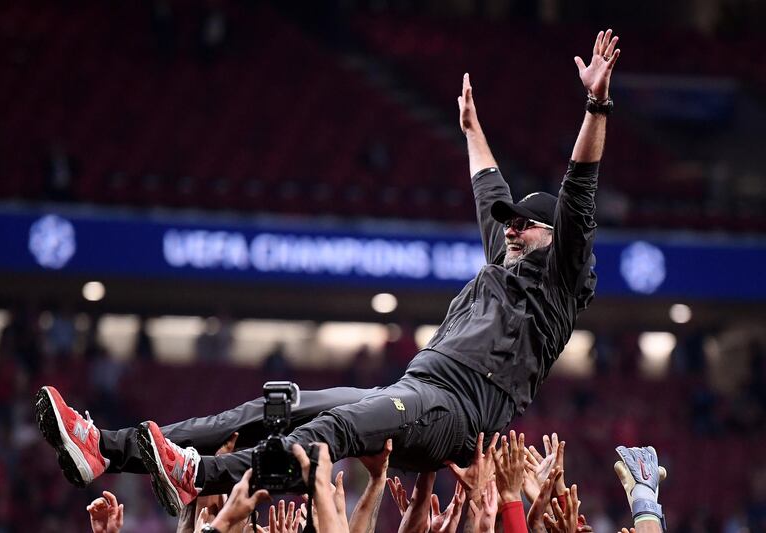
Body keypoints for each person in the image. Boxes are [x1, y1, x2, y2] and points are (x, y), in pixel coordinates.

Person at [34, 29, 621, 516]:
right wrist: (471, 131)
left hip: (458, 414)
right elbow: (489, 186)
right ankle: (105, 448)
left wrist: (595, 105)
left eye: (524, 224)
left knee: (335, 428)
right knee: (271, 410)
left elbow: (580, 189)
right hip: (414, 390)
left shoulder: (556, 285)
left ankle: (202, 475)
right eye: (509, 223)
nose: (510, 228)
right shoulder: (506, 260)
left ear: (554, 237)